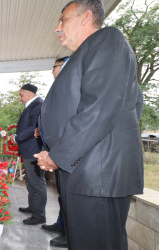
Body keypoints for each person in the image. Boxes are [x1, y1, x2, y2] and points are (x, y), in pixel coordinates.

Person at [36, 1, 143, 249]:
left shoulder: (108, 41)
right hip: (87, 172)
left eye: (63, 19)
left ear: (85, 18)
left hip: (98, 175)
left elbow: (98, 109)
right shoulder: (88, 52)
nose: (57, 28)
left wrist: (58, 156)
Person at [38, 56, 69, 248]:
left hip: (67, 155)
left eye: (55, 66)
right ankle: (61, 225)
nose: (52, 70)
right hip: (57, 152)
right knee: (62, 195)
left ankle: (68, 234)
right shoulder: (61, 87)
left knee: (68, 197)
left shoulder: (72, 87)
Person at [9, 83, 46, 225]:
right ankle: (33, 207)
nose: (19, 98)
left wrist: (16, 138)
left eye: (21, 94)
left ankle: (39, 215)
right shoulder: (32, 104)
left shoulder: (38, 104)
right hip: (28, 149)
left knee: (37, 183)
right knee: (30, 182)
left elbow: (33, 128)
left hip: (34, 150)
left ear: (29, 94)